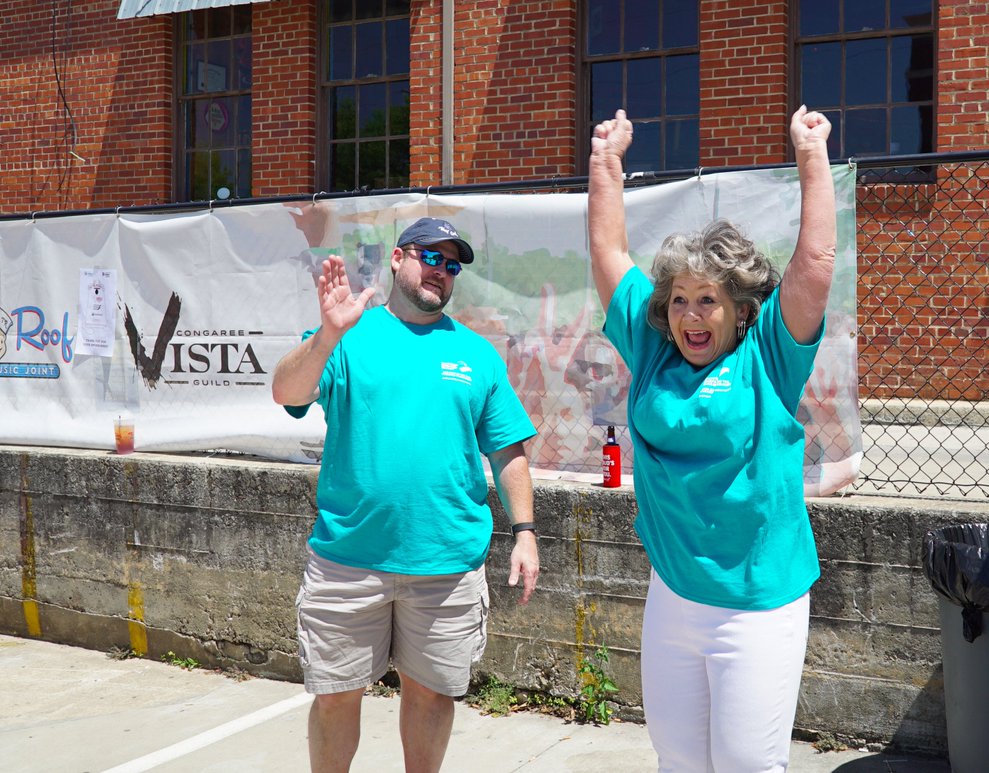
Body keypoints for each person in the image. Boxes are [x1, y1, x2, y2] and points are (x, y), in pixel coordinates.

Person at [587, 106, 836, 772]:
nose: (691, 315)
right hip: (675, 595)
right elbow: (611, 256)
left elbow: (813, 266)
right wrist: (605, 164)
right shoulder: (655, 350)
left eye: (708, 300)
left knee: (747, 766)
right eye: (679, 299)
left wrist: (811, 154)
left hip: (758, 605)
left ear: (738, 306)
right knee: (679, 762)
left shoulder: (767, 357)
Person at [271, 216, 540, 773]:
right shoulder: (347, 337)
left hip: (446, 565)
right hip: (348, 563)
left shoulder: (477, 355)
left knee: (432, 694)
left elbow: (508, 451)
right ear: (398, 258)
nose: (441, 271)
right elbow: (286, 392)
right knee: (336, 695)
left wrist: (526, 532)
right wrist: (326, 335)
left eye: (453, 264)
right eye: (430, 256)